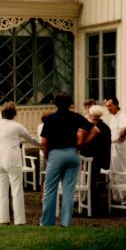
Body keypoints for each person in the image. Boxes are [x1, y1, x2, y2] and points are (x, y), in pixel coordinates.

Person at [39, 93, 99, 227]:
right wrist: (81, 145)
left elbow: (44, 142)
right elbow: (96, 130)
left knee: (50, 189)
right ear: (70, 103)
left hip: (55, 154)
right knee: (69, 190)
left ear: (55, 104)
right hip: (72, 154)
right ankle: (65, 222)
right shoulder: (76, 117)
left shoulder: (50, 119)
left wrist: (46, 155)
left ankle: (47, 222)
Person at [0, 102, 40, 225]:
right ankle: (19, 220)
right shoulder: (16, 126)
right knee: (16, 190)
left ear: (2, 113)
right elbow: (31, 139)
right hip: (12, 160)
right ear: (14, 114)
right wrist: (42, 145)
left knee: (2, 191)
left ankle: (4, 218)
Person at [81, 105, 112, 216]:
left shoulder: (94, 128)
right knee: (91, 182)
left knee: (91, 182)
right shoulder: (106, 128)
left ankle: (93, 207)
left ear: (90, 115)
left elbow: (91, 145)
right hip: (100, 158)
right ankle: (91, 205)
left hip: (94, 159)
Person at [105, 97, 126, 204]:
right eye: (107, 106)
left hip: (119, 147)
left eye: (110, 106)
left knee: (119, 172)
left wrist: (122, 136)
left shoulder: (121, 116)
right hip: (113, 146)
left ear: (116, 105)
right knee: (113, 172)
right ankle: (117, 198)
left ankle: (125, 200)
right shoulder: (115, 117)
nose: (108, 108)